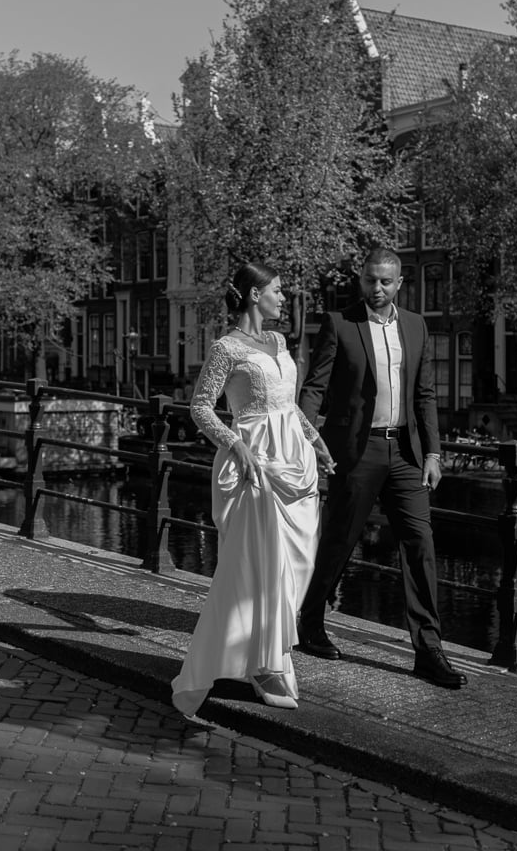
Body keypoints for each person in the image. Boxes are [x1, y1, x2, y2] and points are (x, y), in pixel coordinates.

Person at [296, 247, 467, 689]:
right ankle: (310, 621)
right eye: (370, 280)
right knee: (340, 540)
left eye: (385, 282)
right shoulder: (340, 323)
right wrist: (306, 439)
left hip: (406, 453)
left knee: (420, 543)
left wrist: (433, 453)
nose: (377, 289)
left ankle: (428, 650)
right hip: (357, 452)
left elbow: (425, 394)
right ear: (361, 279)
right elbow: (314, 388)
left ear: (399, 284)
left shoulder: (415, 325)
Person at [171, 262, 335, 716]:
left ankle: (266, 655)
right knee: (260, 569)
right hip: (256, 466)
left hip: (295, 464)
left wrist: (315, 439)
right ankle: (265, 666)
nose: (283, 298)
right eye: (277, 291)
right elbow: (200, 407)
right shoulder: (226, 348)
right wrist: (235, 444)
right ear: (254, 295)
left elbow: (287, 405)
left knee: (299, 564)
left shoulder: (279, 342)